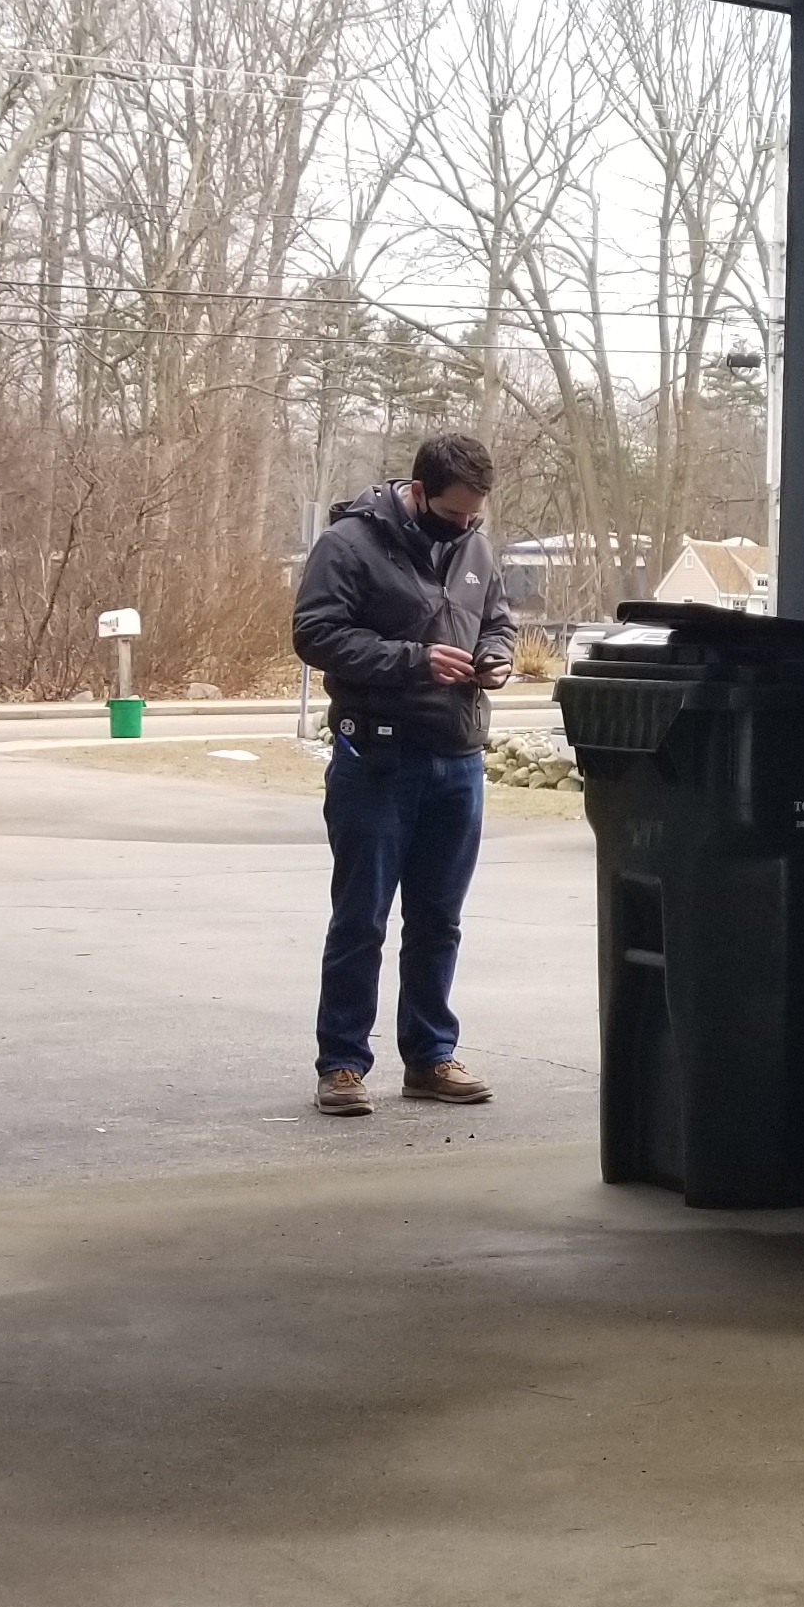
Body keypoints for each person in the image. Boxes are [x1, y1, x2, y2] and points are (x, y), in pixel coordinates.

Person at [293, 431, 517, 1114]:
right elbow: (315, 634)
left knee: (438, 920)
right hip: (378, 759)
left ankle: (430, 1056)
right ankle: (342, 1065)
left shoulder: (476, 547)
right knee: (361, 919)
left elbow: (498, 620)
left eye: (475, 515)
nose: (465, 525)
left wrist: (497, 657)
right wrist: (414, 660)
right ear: (418, 492)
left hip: (458, 756)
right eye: (452, 514)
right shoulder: (348, 544)